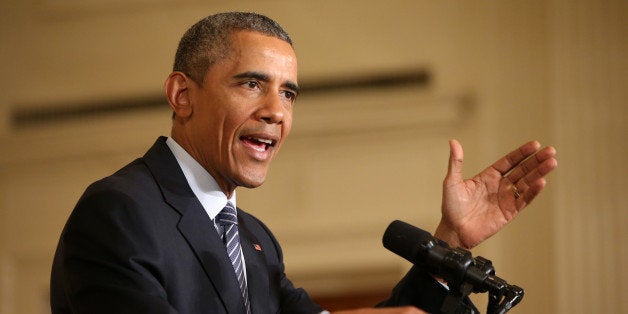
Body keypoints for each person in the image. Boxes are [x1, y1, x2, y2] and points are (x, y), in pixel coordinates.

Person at [50, 12, 557, 314]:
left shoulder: (255, 242)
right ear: (182, 94)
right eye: (252, 84)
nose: (276, 110)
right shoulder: (120, 211)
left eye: (288, 93)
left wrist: (449, 243)